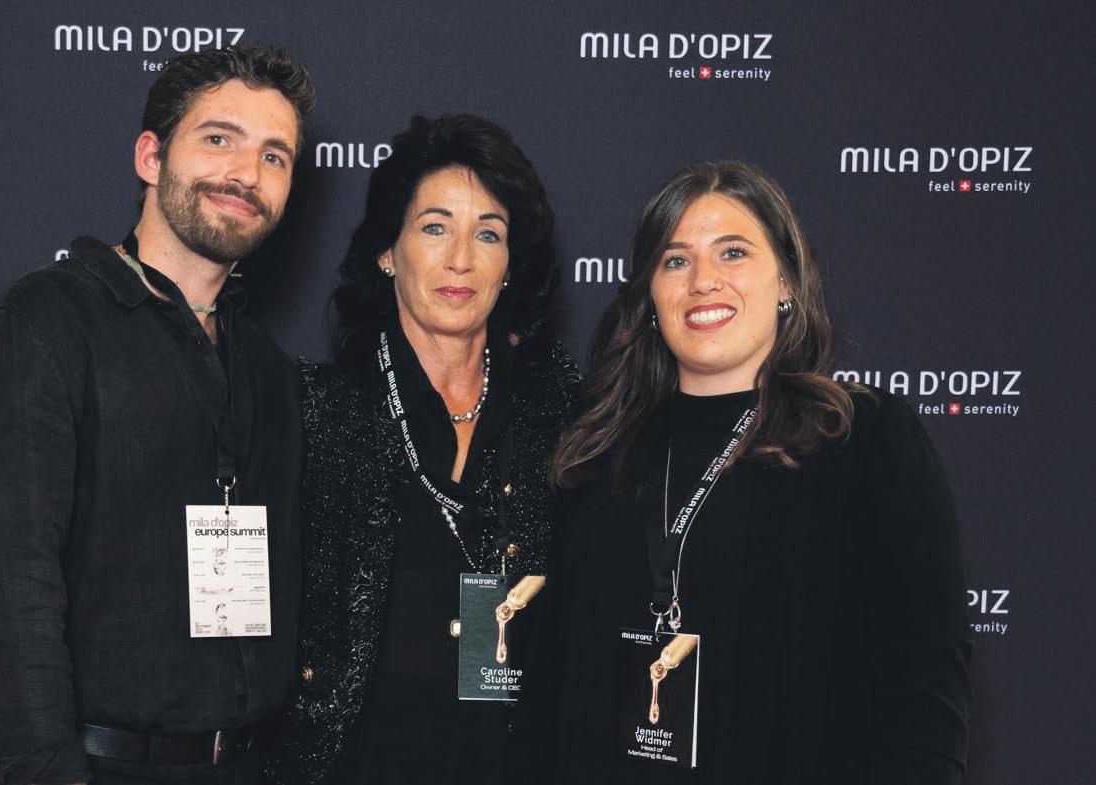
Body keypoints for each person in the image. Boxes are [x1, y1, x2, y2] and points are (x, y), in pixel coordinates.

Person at [0, 44, 314, 785]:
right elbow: (4, 601)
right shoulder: (40, 327)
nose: (247, 173)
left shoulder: (268, 369)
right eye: (219, 139)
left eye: (274, 156)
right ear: (151, 156)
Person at [542, 161, 973, 784]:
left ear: (787, 282)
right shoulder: (597, 451)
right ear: (650, 294)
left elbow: (925, 685)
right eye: (676, 260)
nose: (703, 281)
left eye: (733, 252)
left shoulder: (864, 439)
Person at [276, 114, 580, 784]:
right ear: (388, 251)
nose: (460, 258)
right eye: (435, 227)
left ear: (511, 264)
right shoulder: (315, 411)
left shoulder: (560, 415)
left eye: (488, 234)